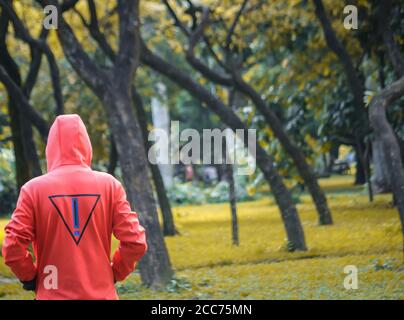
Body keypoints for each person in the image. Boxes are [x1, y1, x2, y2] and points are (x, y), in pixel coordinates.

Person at [2, 114, 147, 300]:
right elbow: (136, 242)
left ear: (50, 148)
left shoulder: (33, 190)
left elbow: (13, 247)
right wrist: (115, 273)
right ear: (87, 144)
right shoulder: (110, 186)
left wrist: (29, 277)